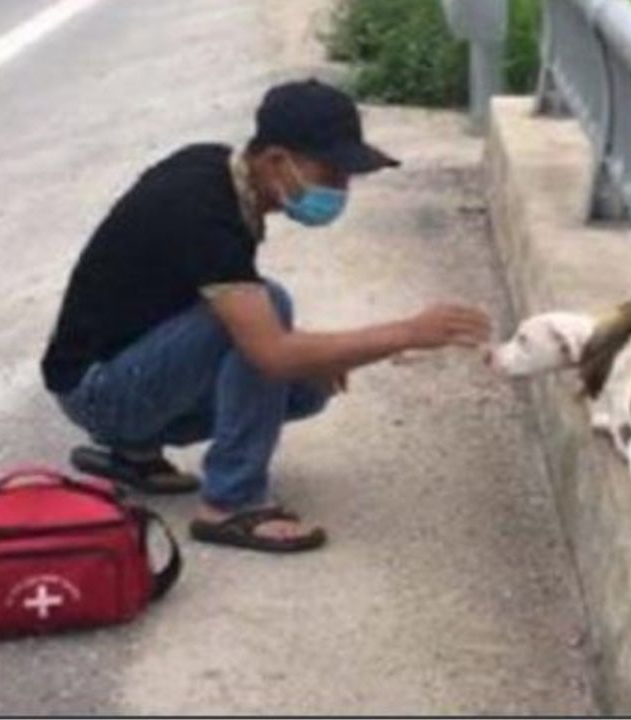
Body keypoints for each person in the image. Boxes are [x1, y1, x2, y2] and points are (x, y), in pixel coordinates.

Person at [40, 79, 492, 553]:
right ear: (277, 160)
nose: (341, 190)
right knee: (272, 314)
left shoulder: (221, 175)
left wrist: (319, 357)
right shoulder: (201, 207)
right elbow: (270, 353)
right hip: (100, 393)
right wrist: (408, 333)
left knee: (306, 388)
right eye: (332, 174)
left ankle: (135, 453)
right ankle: (232, 503)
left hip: (116, 372)